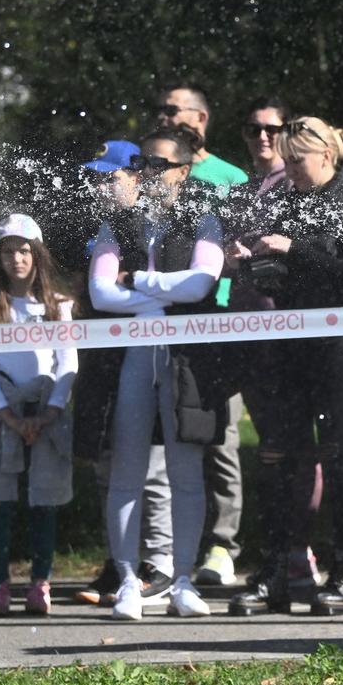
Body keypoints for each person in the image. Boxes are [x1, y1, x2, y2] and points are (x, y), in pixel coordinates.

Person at [247, 116, 343, 616]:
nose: (289, 170)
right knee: (283, 458)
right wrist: (254, 262)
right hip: (291, 347)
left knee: (339, 458)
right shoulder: (288, 202)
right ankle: (276, 572)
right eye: (285, 162)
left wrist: (296, 249)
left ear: (326, 156)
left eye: (296, 160)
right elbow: (279, 282)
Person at [87, 128, 224, 620]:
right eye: (143, 163)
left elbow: (202, 285)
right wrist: (164, 295)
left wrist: (141, 282)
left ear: (184, 172)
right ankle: (128, 580)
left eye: (160, 164)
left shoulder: (204, 221)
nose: (149, 172)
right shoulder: (118, 223)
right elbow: (101, 294)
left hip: (185, 362)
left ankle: (183, 580)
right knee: (127, 470)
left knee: (186, 472)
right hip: (131, 359)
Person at [224, 97, 325, 615]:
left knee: (300, 450)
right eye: (254, 128)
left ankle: (295, 558)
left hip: (296, 336)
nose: (264, 137)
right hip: (251, 336)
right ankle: (279, 562)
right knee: (272, 451)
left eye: (274, 128)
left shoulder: (304, 189)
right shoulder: (239, 194)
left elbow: (315, 259)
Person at [153, 82, 249, 589]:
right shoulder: (150, 167)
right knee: (163, 439)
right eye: (160, 111)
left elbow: (240, 249)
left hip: (220, 319)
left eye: (173, 110)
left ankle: (222, 544)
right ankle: (160, 551)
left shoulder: (231, 177)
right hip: (160, 320)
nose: (165, 117)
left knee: (219, 436)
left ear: (202, 117)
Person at [0, 214, 76, 616]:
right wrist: (9, 417)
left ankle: (40, 581)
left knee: (42, 500)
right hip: (3, 415)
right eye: (8, 251)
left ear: (38, 255)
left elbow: (68, 362)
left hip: (46, 414)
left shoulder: (58, 307)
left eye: (24, 250)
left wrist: (49, 412)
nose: (17, 259)